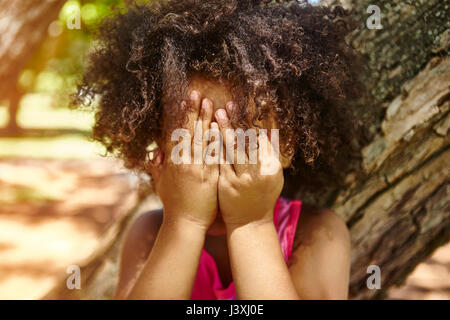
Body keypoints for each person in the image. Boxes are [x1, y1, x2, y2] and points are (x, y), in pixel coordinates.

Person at [73, 0, 363, 300]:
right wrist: (184, 223)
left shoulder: (316, 236)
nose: (217, 164)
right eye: (195, 143)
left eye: (241, 143)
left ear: (286, 147)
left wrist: (252, 224)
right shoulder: (148, 234)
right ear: (159, 152)